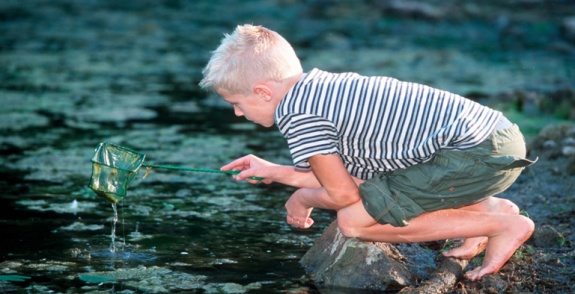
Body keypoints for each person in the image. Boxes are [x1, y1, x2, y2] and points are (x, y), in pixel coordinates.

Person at [199, 24, 536, 281]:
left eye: (237, 104)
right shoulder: (319, 89)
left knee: (354, 221)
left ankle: (501, 225)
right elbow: (349, 177)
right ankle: (491, 209)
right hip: (496, 141)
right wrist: (274, 171)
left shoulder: (297, 114)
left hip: (472, 154)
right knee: (382, 190)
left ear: (261, 91)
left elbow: (343, 194)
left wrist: (303, 198)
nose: (237, 114)